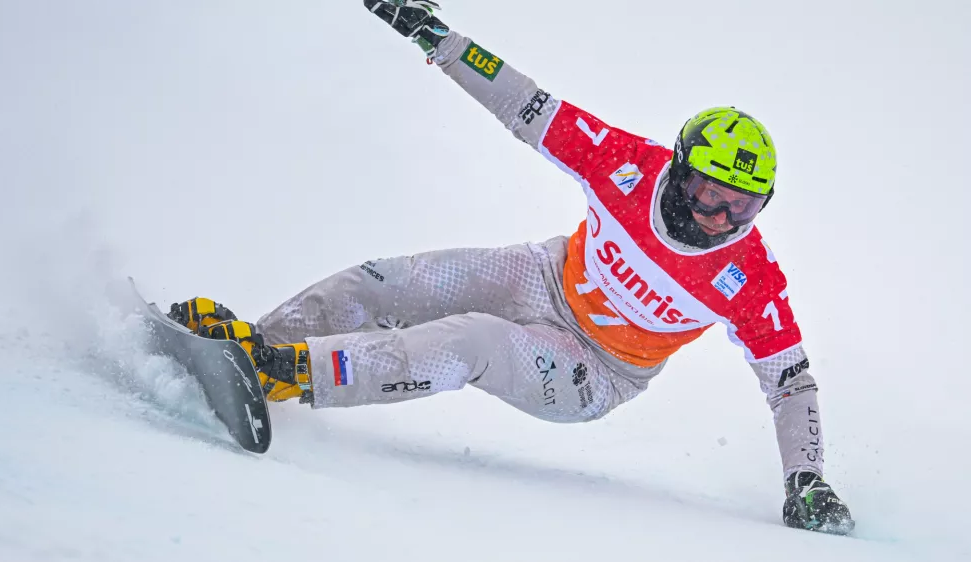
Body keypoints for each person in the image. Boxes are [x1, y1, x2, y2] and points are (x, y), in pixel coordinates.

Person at [168, 0, 854, 534]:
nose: (718, 218)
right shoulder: (628, 166)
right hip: (545, 274)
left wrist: (808, 481)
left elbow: (791, 384)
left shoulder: (752, 279)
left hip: (597, 372)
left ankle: (283, 375)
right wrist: (433, 35)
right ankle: (253, 346)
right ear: (678, 171)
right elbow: (525, 104)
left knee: (471, 341)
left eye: (741, 206)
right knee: (390, 281)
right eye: (708, 192)